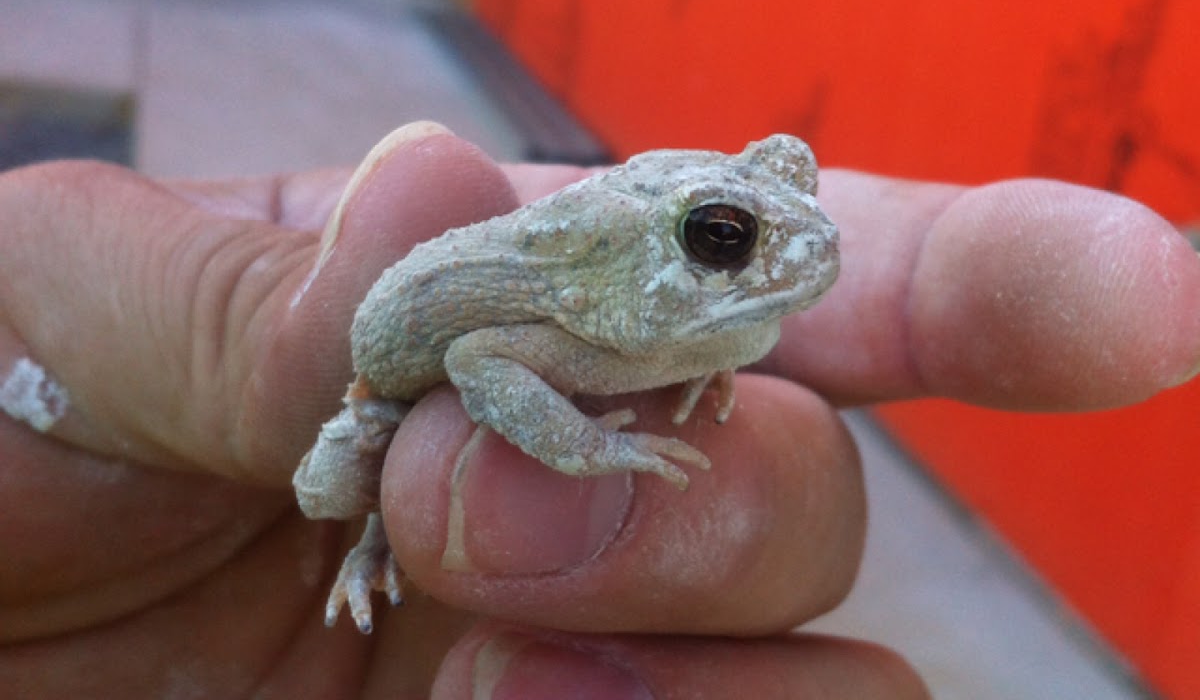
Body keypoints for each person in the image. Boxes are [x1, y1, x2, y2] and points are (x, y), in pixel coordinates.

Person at [0, 120, 1196, 699]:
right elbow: (473, 364)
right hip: (389, 372)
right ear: (659, 254)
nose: (795, 237)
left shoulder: (661, 312)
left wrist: (713, 350)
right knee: (330, 476)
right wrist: (581, 442)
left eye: (786, 194)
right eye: (728, 239)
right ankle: (369, 537)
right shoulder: (578, 301)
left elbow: (724, 322)